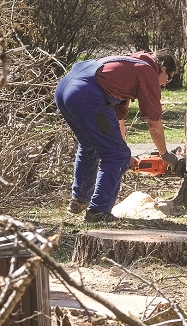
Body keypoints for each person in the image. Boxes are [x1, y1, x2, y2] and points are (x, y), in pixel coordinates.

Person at [54, 50, 179, 222]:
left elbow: (117, 118)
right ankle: (98, 212)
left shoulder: (128, 66)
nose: (165, 84)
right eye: (168, 79)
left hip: (64, 90)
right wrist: (166, 155)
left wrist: (121, 147)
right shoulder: (147, 71)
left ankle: (80, 199)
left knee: (90, 144)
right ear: (163, 69)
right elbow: (153, 124)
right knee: (116, 155)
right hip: (86, 93)